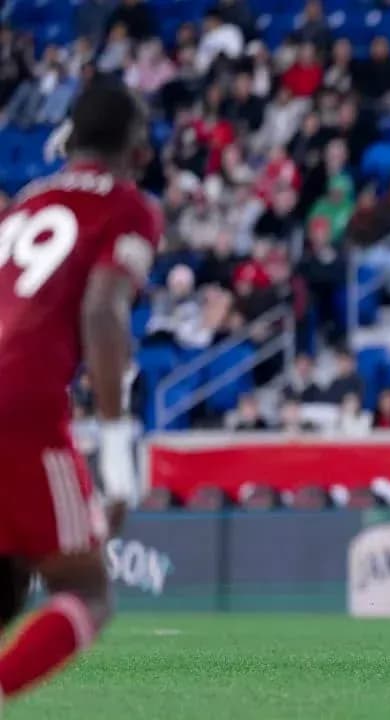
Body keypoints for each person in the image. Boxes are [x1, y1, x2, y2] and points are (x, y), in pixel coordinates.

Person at [0, 79, 162, 705]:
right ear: (136, 148)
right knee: (87, 590)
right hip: (22, 407)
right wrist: (117, 445)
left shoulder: (23, 204)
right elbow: (102, 310)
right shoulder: (128, 208)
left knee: (11, 578)